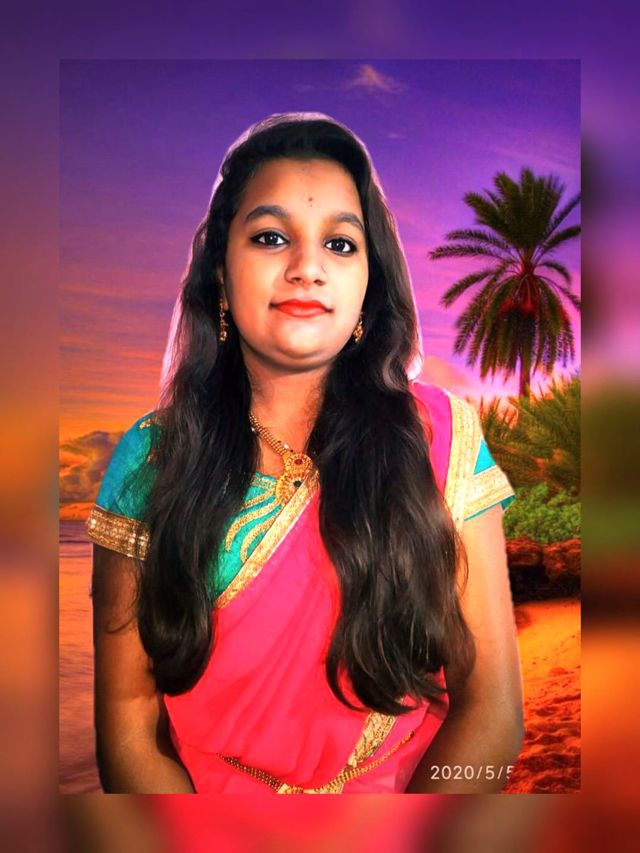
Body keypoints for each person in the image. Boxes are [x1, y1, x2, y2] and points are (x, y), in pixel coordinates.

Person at [88, 112, 523, 794]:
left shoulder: (440, 438)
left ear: (369, 285)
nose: (308, 268)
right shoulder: (154, 460)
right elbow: (128, 726)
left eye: (341, 245)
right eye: (270, 237)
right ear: (221, 275)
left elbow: (493, 709)